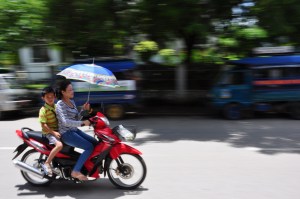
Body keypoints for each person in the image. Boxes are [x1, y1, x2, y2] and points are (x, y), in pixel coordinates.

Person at [55, 79, 97, 181]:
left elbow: (76, 118)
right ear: (63, 92)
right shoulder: (60, 105)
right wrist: (82, 123)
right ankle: (76, 171)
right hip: (66, 134)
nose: (72, 91)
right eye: (70, 90)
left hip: (74, 130)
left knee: (95, 142)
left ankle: (87, 166)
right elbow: (65, 122)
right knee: (89, 147)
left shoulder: (72, 102)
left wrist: (83, 109)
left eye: (72, 89)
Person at [38, 87, 63, 176]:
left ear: (55, 96)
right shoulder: (43, 110)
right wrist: (54, 132)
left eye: (52, 96)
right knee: (59, 145)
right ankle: (47, 163)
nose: (50, 98)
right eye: (47, 97)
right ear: (43, 98)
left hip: (58, 130)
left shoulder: (56, 106)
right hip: (48, 133)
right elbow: (43, 125)